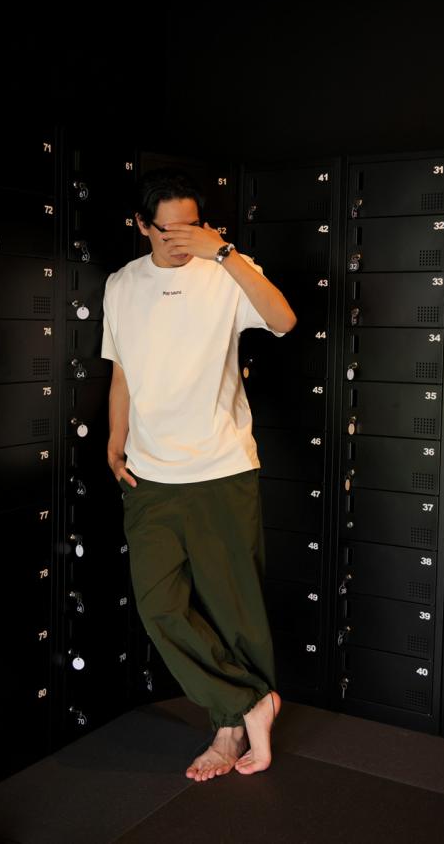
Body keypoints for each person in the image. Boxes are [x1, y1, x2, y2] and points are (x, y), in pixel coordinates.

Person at [101, 168, 297, 782]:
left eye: (192, 227)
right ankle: (250, 701)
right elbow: (123, 371)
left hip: (220, 468)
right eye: (168, 231)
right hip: (149, 476)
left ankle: (230, 729)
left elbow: (284, 320)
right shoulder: (120, 284)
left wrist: (226, 253)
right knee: (160, 605)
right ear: (141, 226)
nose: (181, 240)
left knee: (234, 609)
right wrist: (115, 440)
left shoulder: (225, 271)